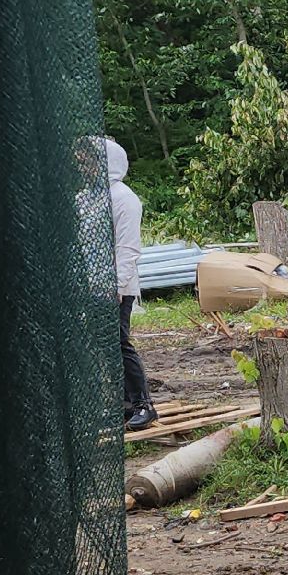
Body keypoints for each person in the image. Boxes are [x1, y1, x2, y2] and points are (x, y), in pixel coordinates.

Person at [105, 138, 156, 431]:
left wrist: (119, 285)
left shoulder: (124, 198)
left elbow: (128, 247)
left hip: (117, 289)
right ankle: (123, 404)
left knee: (120, 343)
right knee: (103, 348)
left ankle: (142, 404)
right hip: (92, 287)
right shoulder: (90, 198)